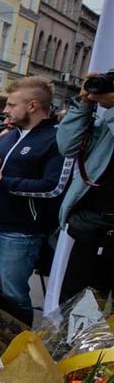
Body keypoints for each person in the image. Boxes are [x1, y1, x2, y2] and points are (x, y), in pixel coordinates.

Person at [0, 76, 66, 325]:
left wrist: (1, 180)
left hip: (18, 233)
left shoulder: (56, 139)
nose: (5, 110)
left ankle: (16, 354)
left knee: (14, 296)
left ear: (32, 106)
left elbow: (53, 187)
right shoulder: (8, 137)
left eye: (10, 105)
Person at [55, 73, 114, 302]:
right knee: (74, 304)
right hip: (92, 226)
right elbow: (68, 146)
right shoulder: (104, 123)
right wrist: (84, 105)